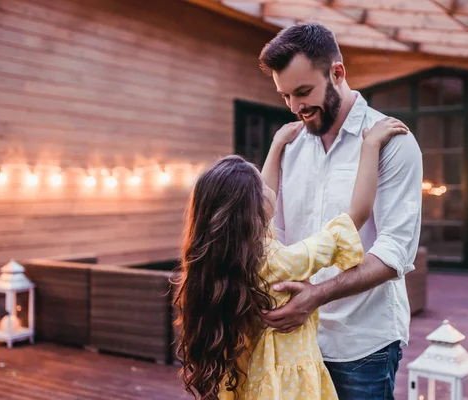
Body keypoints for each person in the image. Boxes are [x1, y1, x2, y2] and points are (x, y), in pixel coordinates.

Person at [173, 117, 408, 399]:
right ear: (253, 212)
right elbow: (355, 215)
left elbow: (264, 193)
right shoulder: (280, 262)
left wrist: (277, 145)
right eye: (260, 188)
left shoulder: (235, 259)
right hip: (290, 386)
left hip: (254, 379)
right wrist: (370, 146)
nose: (267, 185)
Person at [258, 22, 423, 399]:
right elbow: (278, 233)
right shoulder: (291, 145)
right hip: (297, 340)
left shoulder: (391, 141)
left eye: (303, 92)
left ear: (337, 73)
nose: (296, 107)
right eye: (285, 96)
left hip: (362, 345)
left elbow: (395, 250)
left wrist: (315, 295)